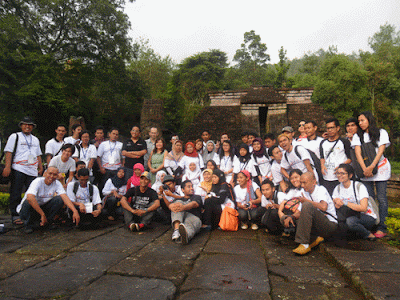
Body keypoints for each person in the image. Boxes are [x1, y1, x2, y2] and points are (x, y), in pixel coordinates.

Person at [352, 111, 391, 238]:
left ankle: (382, 227)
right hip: (365, 171)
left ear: (369, 120)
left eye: (362, 120)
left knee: (381, 198)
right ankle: (372, 223)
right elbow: (358, 153)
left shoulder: (381, 132)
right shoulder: (358, 135)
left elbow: (380, 151)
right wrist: (365, 169)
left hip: (380, 168)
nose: (360, 123)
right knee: (369, 198)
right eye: (359, 121)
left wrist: (372, 166)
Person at [2, 116, 43, 225]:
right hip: (18, 168)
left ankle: (28, 214)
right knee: (16, 192)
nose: (27, 126)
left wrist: (40, 167)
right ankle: (15, 215)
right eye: (25, 124)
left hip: (32, 170)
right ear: (21, 126)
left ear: (33, 127)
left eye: (30, 125)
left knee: (31, 193)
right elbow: (9, 152)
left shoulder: (35, 139)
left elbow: (38, 154)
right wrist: (7, 167)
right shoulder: (15, 136)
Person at [17, 166, 80, 233]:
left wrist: (74, 211)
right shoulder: (37, 181)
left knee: (59, 199)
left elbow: (65, 197)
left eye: (55, 174)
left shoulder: (57, 183)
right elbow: (30, 197)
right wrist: (42, 214)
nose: (52, 176)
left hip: (42, 208)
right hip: (28, 210)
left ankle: (47, 222)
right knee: (28, 201)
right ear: (45, 173)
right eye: (50, 173)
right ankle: (28, 224)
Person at [292, 172, 337, 255]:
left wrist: (307, 201)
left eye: (304, 183)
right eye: (301, 183)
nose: (302, 185)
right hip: (317, 225)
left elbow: (324, 207)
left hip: (329, 224)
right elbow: (300, 212)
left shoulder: (321, 190)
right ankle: (314, 239)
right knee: (297, 219)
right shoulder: (303, 192)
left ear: (314, 182)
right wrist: (291, 217)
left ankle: (304, 244)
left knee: (307, 205)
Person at [332, 164, 377, 241]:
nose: (339, 175)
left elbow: (363, 208)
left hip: (366, 216)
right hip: (349, 214)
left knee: (350, 222)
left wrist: (345, 203)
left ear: (350, 175)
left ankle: (368, 234)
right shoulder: (338, 188)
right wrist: (337, 203)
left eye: (343, 173)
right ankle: (356, 233)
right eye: (338, 173)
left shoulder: (359, 187)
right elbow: (336, 205)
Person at [320, 118, 351, 195]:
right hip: (327, 177)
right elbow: (322, 157)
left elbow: (350, 158)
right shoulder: (323, 142)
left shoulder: (344, 142)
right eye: (328, 128)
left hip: (340, 177)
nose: (330, 130)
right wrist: (322, 166)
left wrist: (341, 167)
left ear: (337, 128)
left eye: (332, 127)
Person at [166, 180, 202, 244]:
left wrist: (183, 207)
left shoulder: (197, 197)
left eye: (192, 186)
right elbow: (170, 205)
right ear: (182, 190)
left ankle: (185, 236)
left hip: (194, 217)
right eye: (189, 187)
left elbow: (194, 204)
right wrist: (171, 206)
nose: (192, 188)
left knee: (189, 225)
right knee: (177, 203)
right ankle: (177, 230)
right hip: (181, 217)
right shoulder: (178, 200)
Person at [277, 169, 303, 236]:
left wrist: (290, 217)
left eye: (296, 177)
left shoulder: (305, 189)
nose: (294, 180)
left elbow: (300, 209)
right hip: (291, 211)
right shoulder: (292, 190)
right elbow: (284, 202)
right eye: (292, 178)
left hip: (299, 213)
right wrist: (280, 212)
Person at [97, 128, 123, 193]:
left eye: (116, 134)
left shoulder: (120, 144)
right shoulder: (103, 144)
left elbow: (123, 157)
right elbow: (98, 157)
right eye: (113, 134)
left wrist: (122, 168)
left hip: (116, 169)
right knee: (104, 186)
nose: (115, 136)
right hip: (106, 169)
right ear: (109, 134)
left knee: (115, 186)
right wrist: (101, 168)